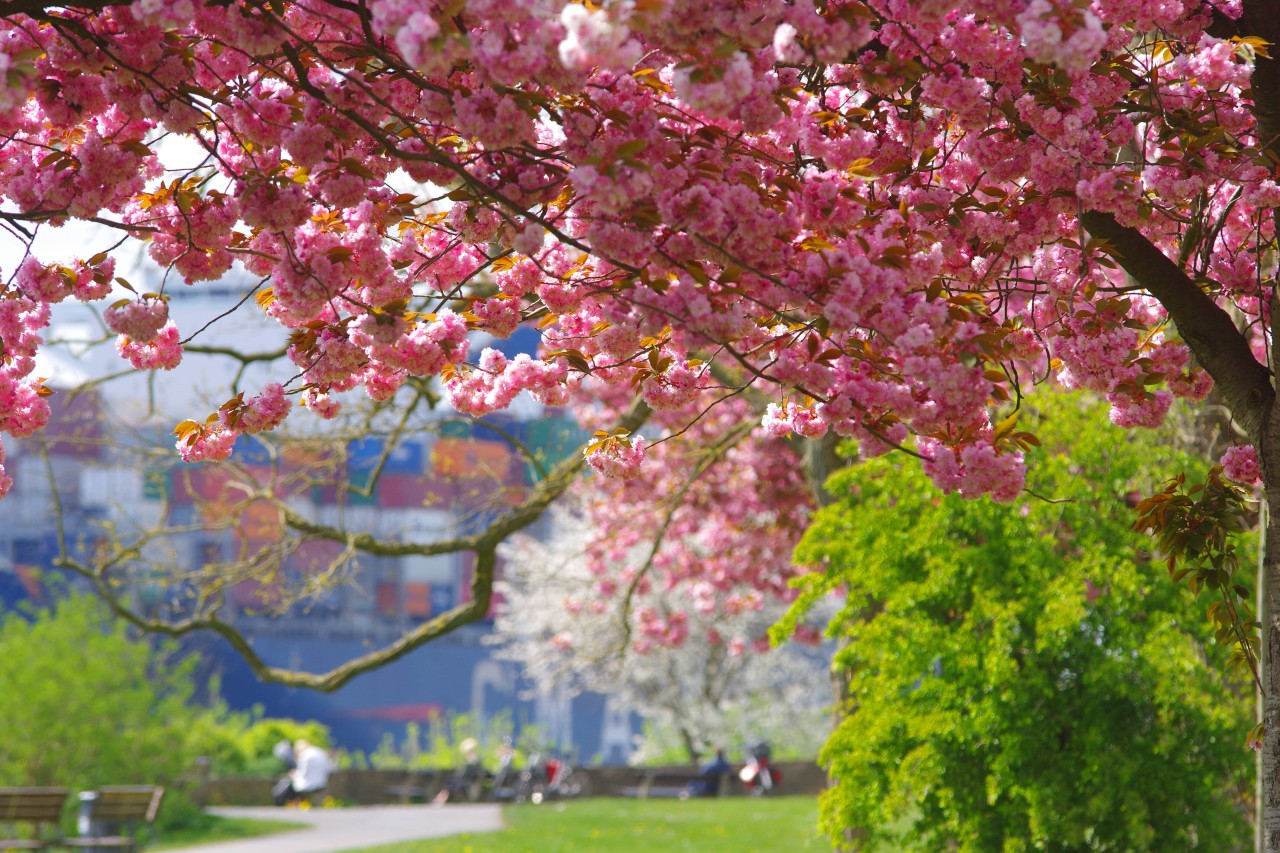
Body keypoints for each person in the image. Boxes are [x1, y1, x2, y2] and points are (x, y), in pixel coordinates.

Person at [275, 739, 333, 806]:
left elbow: (303, 774)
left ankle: (290, 805)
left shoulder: (304, 756)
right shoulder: (319, 752)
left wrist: (293, 775)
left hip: (307, 785)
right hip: (321, 783)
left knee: (288, 784)